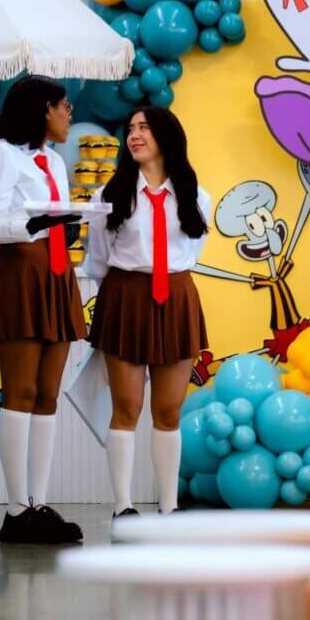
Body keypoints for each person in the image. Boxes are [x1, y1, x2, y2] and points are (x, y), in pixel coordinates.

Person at [0, 75, 86, 545]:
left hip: (57, 273)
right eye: (63, 106)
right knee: (19, 390)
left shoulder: (56, 161)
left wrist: (66, 229)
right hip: (22, 272)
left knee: (47, 393)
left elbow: (52, 218)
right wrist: (34, 222)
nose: (69, 115)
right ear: (43, 109)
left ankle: (37, 505)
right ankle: (16, 508)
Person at [85, 107, 210, 520]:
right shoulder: (111, 194)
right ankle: (123, 506)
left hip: (177, 296)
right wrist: (126, 290)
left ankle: (169, 506)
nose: (134, 136)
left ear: (167, 136)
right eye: (131, 130)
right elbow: (97, 260)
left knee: (170, 410)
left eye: (144, 128)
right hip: (126, 296)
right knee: (127, 407)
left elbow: (191, 252)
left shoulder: (196, 194)